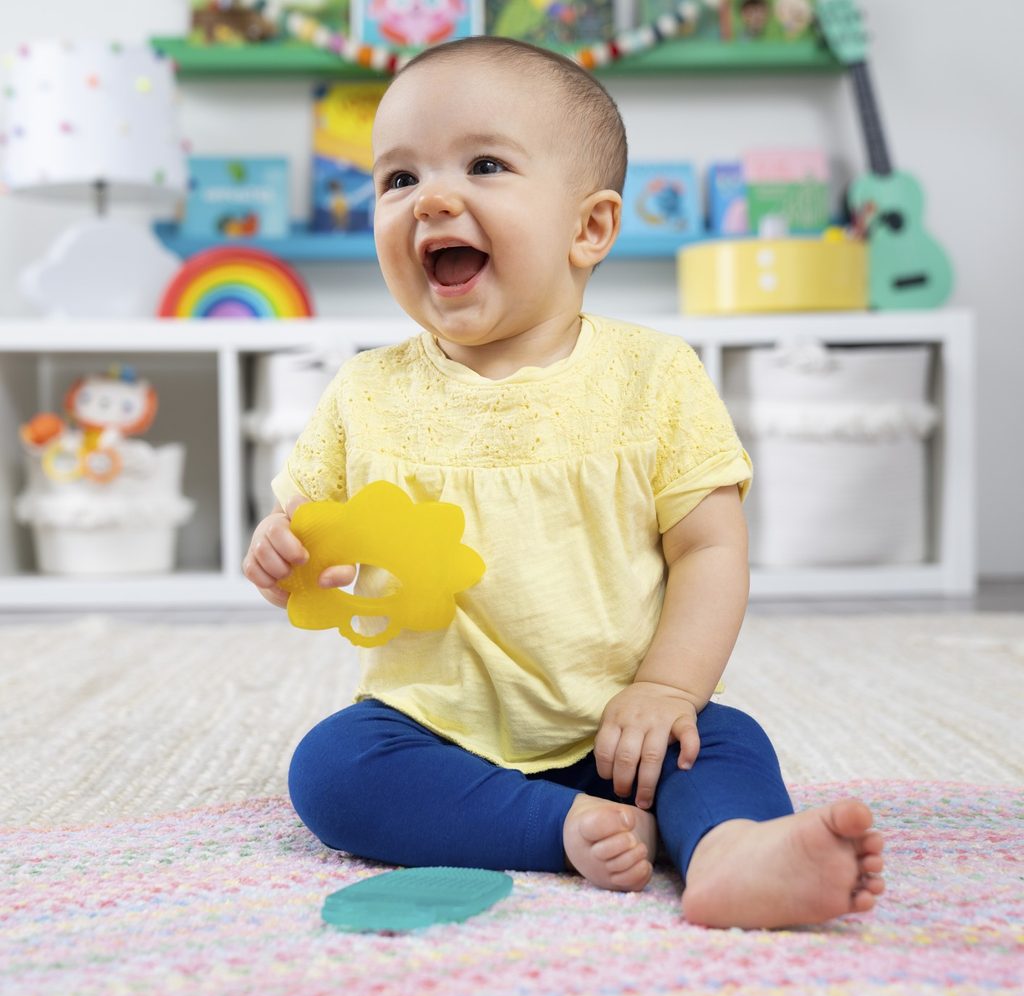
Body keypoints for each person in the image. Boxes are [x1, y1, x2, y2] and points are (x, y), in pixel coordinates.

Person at [242, 36, 885, 929]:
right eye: (398, 178)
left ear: (590, 228)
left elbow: (709, 548)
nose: (432, 198)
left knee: (725, 741)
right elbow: (314, 540)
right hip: (438, 728)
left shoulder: (655, 376)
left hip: (623, 728)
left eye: (485, 165)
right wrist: (284, 555)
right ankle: (563, 827)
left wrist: (667, 689)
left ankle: (730, 851)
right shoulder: (365, 390)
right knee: (332, 769)